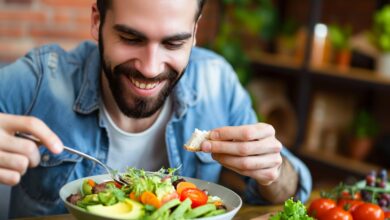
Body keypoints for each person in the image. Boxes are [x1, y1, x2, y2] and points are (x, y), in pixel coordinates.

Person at [0, 0, 312, 218]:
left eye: (174, 44)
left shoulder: (218, 83)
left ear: (195, 32)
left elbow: (290, 195)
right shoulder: (42, 80)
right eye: (130, 37)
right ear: (97, 21)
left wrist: (273, 172)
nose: (150, 68)